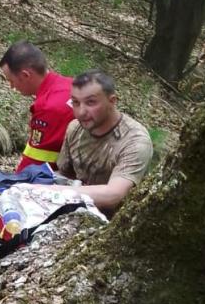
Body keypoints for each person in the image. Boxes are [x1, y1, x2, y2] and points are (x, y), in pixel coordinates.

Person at [55, 70, 153, 215]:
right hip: (73, 209)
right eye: (75, 102)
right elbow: (64, 175)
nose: (81, 112)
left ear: (112, 101)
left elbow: (114, 195)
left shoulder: (135, 141)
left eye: (91, 102)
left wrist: (49, 192)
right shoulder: (75, 128)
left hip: (116, 222)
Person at [0, 42, 74, 172]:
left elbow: (37, 163)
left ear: (25, 75)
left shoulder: (48, 107)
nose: (11, 86)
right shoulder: (70, 84)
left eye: (11, 80)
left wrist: (12, 185)